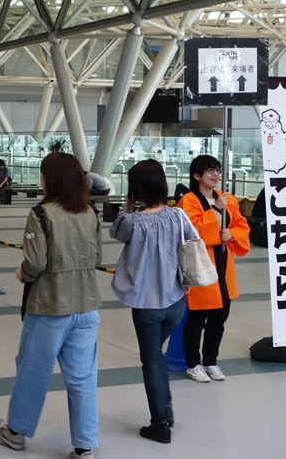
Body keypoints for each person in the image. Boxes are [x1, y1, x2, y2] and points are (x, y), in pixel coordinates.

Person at [0, 152, 102, 459]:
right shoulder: (90, 212)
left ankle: (16, 431)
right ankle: (84, 445)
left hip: (49, 306)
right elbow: (97, 260)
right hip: (87, 305)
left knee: (33, 370)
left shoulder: (40, 213)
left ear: (50, 179)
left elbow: (36, 262)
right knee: (82, 377)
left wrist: (22, 273)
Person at [110, 159, 196, 444]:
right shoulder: (179, 216)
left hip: (147, 305)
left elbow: (116, 232)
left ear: (136, 189)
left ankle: (160, 423)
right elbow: (193, 244)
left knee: (151, 362)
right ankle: (166, 407)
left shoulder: (133, 222)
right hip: (175, 302)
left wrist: (127, 202)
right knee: (156, 356)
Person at [177, 155, 249, 383]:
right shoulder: (188, 201)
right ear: (197, 176)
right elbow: (191, 231)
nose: (215, 174)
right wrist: (216, 210)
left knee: (220, 316)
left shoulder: (228, 200)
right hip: (200, 266)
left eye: (217, 170)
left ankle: (210, 361)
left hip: (223, 265)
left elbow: (240, 224)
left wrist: (232, 234)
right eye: (210, 170)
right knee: (197, 318)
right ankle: (193, 364)